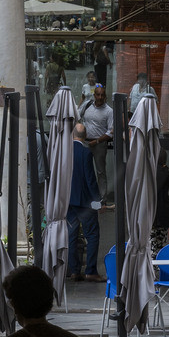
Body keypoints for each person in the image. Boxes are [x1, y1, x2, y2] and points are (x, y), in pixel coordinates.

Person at [67, 120, 103, 283]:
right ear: (86, 136)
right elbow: (90, 179)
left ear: (72, 134)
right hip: (86, 203)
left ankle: (74, 270)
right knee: (93, 234)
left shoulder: (64, 152)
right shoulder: (86, 153)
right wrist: (98, 202)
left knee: (71, 236)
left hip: (68, 201)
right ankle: (90, 270)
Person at [77, 83, 115, 210]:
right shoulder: (87, 105)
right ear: (94, 95)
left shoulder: (109, 111)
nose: (100, 97)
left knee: (100, 172)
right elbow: (77, 116)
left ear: (105, 96)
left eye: (102, 95)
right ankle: (84, 197)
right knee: (83, 170)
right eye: (97, 94)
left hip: (99, 144)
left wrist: (97, 141)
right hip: (85, 142)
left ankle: (102, 200)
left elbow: (110, 131)